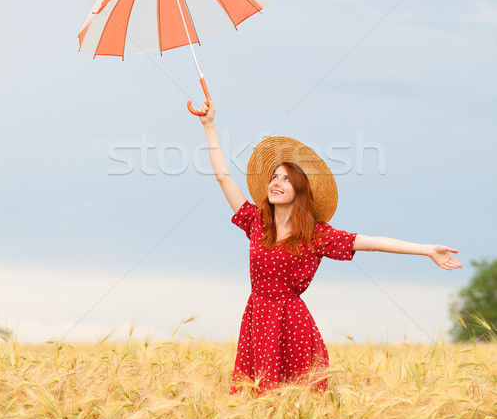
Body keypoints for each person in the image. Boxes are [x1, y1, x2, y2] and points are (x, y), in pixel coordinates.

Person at [197, 99, 463, 394]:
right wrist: (209, 125)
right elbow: (223, 177)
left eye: (286, 179)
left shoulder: (316, 235)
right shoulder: (256, 222)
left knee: (296, 405)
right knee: (255, 400)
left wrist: (426, 249)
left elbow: (372, 243)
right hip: (257, 320)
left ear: (300, 191)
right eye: (274, 176)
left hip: (291, 325)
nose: (276, 182)